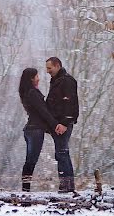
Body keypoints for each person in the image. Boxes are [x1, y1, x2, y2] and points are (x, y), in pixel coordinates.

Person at [19, 67, 67, 192]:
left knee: (30, 160)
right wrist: (55, 125)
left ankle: (25, 189)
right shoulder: (32, 93)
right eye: (36, 76)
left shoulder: (27, 92)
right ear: (31, 79)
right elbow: (43, 112)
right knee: (31, 161)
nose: (38, 78)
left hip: (30, 130)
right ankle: (25, 190)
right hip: (35, 130)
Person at [46, 57, 79, 193]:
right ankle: (66, 185)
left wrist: (65, 122)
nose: (47, 71)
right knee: (61, 153)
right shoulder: (57, 81)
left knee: (62, 153)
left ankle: (67, 186)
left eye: (49, 68)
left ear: (57, 65)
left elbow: (70, 103)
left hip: (62, 124)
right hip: (57, 123)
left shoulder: (66, 81)